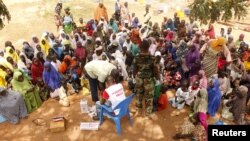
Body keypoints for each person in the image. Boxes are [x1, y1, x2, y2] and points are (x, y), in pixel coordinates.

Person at [133, 39, 159, 119]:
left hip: (139, 79)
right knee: (149, 97)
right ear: (148, 47)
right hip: (149, 80)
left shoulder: (137, 57)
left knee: (139, 95)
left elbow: (134, 69)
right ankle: (148, 113)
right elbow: (155, 70)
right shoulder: (152, 58)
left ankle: (138, 110)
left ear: (140, 47)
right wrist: (157, 78)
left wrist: (134, 77)